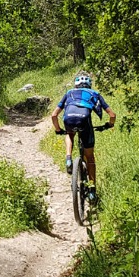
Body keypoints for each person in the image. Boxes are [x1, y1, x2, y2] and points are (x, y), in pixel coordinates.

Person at [50, 72, 116, 202]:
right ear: (89, 85)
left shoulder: (69, 93)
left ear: (75, 85)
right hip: (85, 121)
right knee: (90, 158)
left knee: (70, 133)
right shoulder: (94, 94)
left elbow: (54, 115)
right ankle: (92, 191)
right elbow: (112, 115)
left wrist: (58, 129)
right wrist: (108, 125)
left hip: (68, 119)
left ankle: (68, 158)